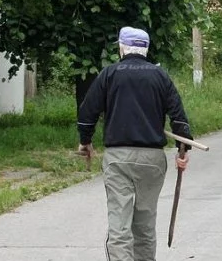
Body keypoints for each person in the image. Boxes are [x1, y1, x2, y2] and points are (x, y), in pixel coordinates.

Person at [77, 26, 193, 261]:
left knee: (119, 225)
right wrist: (183, 149)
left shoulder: (109, 74)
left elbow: (87, 112)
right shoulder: (160, 76)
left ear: (121, 47)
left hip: (118, 159)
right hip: (152, 160)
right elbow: (179, 117)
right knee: (145, 226)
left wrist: (85, 142)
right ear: (145, 50)